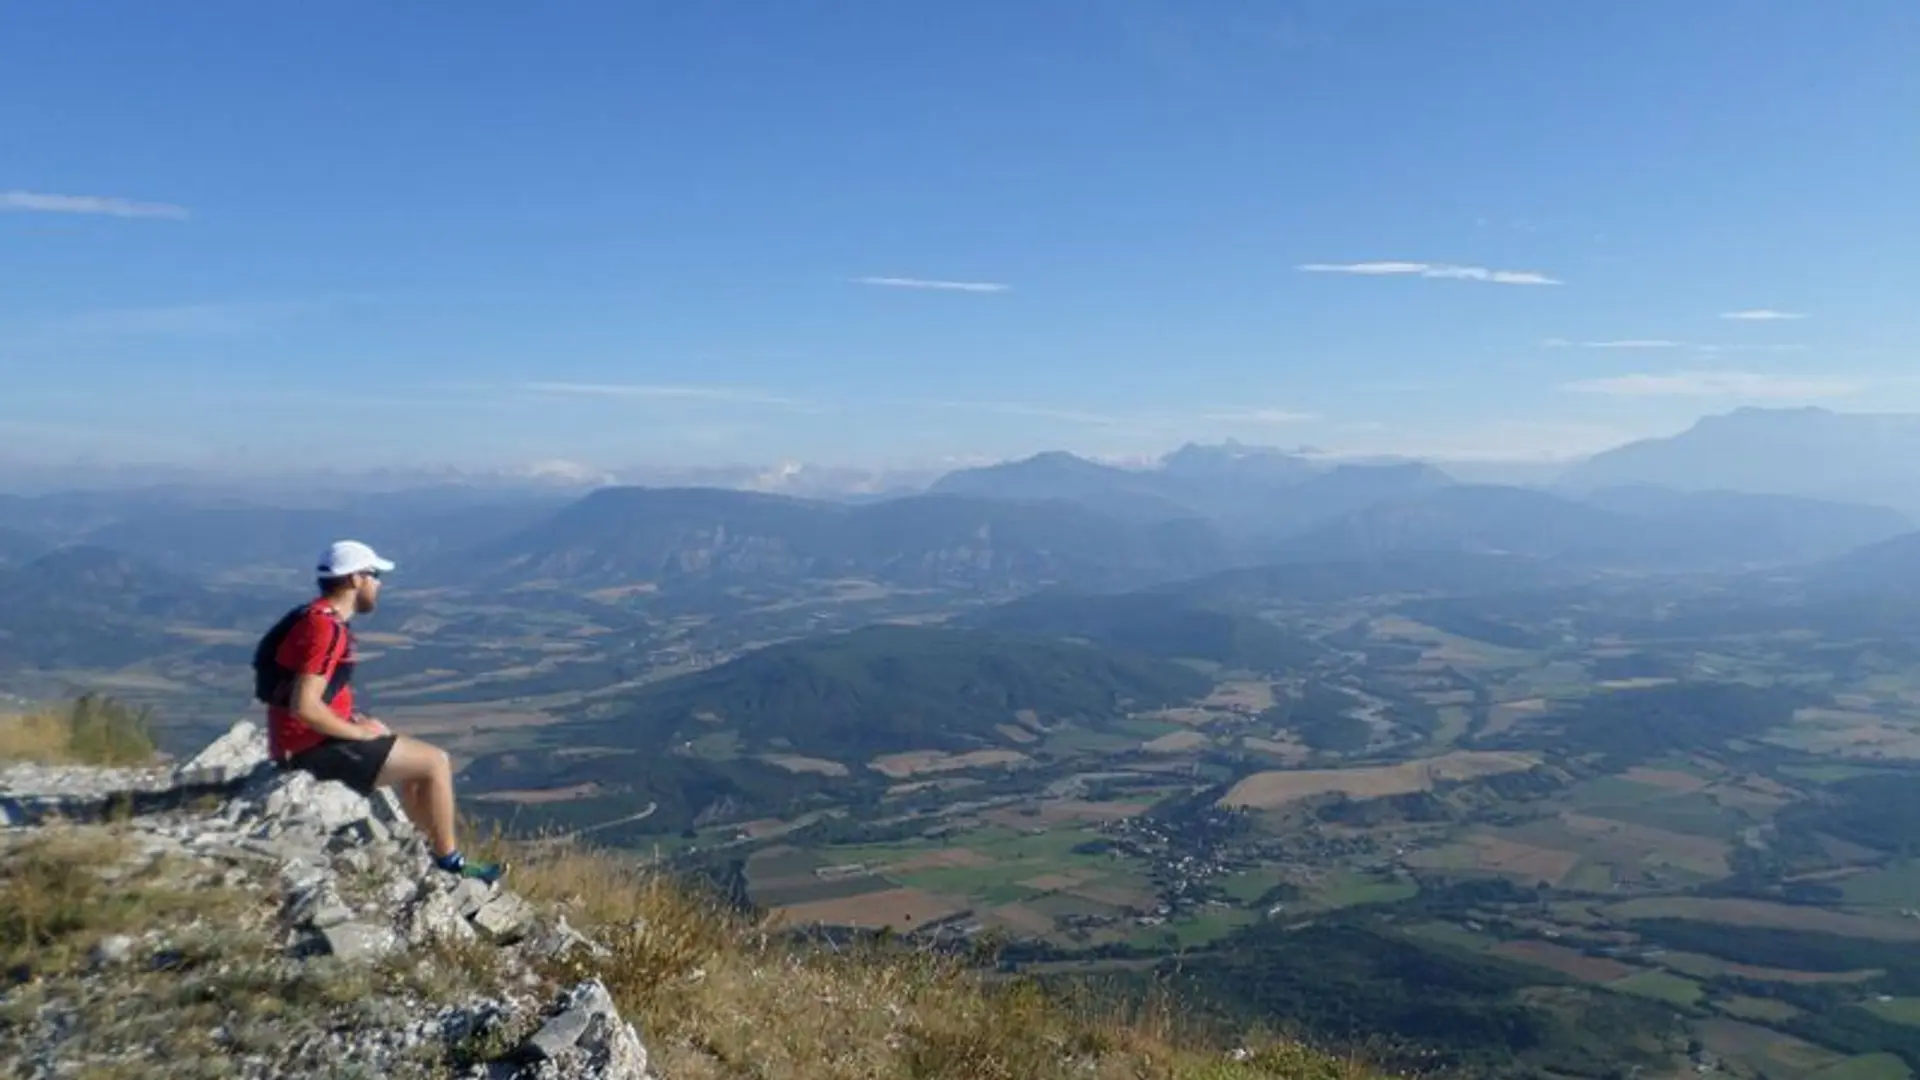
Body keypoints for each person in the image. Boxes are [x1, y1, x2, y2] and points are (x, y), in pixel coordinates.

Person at [262, 539, 503, 883]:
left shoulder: (314, 618)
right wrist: (358, 733)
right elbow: (304, 705)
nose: (379, 584)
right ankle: (449, 862)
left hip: (303, 742)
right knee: (436, 762)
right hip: (309, 750)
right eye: (374, 575)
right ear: (355, 579)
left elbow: (313, 695)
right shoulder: (325, 630)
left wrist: (353, 719)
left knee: (414, 760)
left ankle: (426, 850)